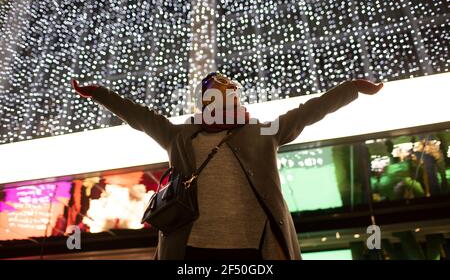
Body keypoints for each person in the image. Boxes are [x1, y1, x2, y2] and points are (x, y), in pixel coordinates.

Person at [72, 74, 383, 260]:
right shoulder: (181, 136)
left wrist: (351, 88)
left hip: (252, 246)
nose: (223, 101)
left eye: (229, 94)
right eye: (214, 96)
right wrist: (99, 93)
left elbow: (309, 111)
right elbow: (138, 116)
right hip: (191, 246)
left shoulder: (263, 132)